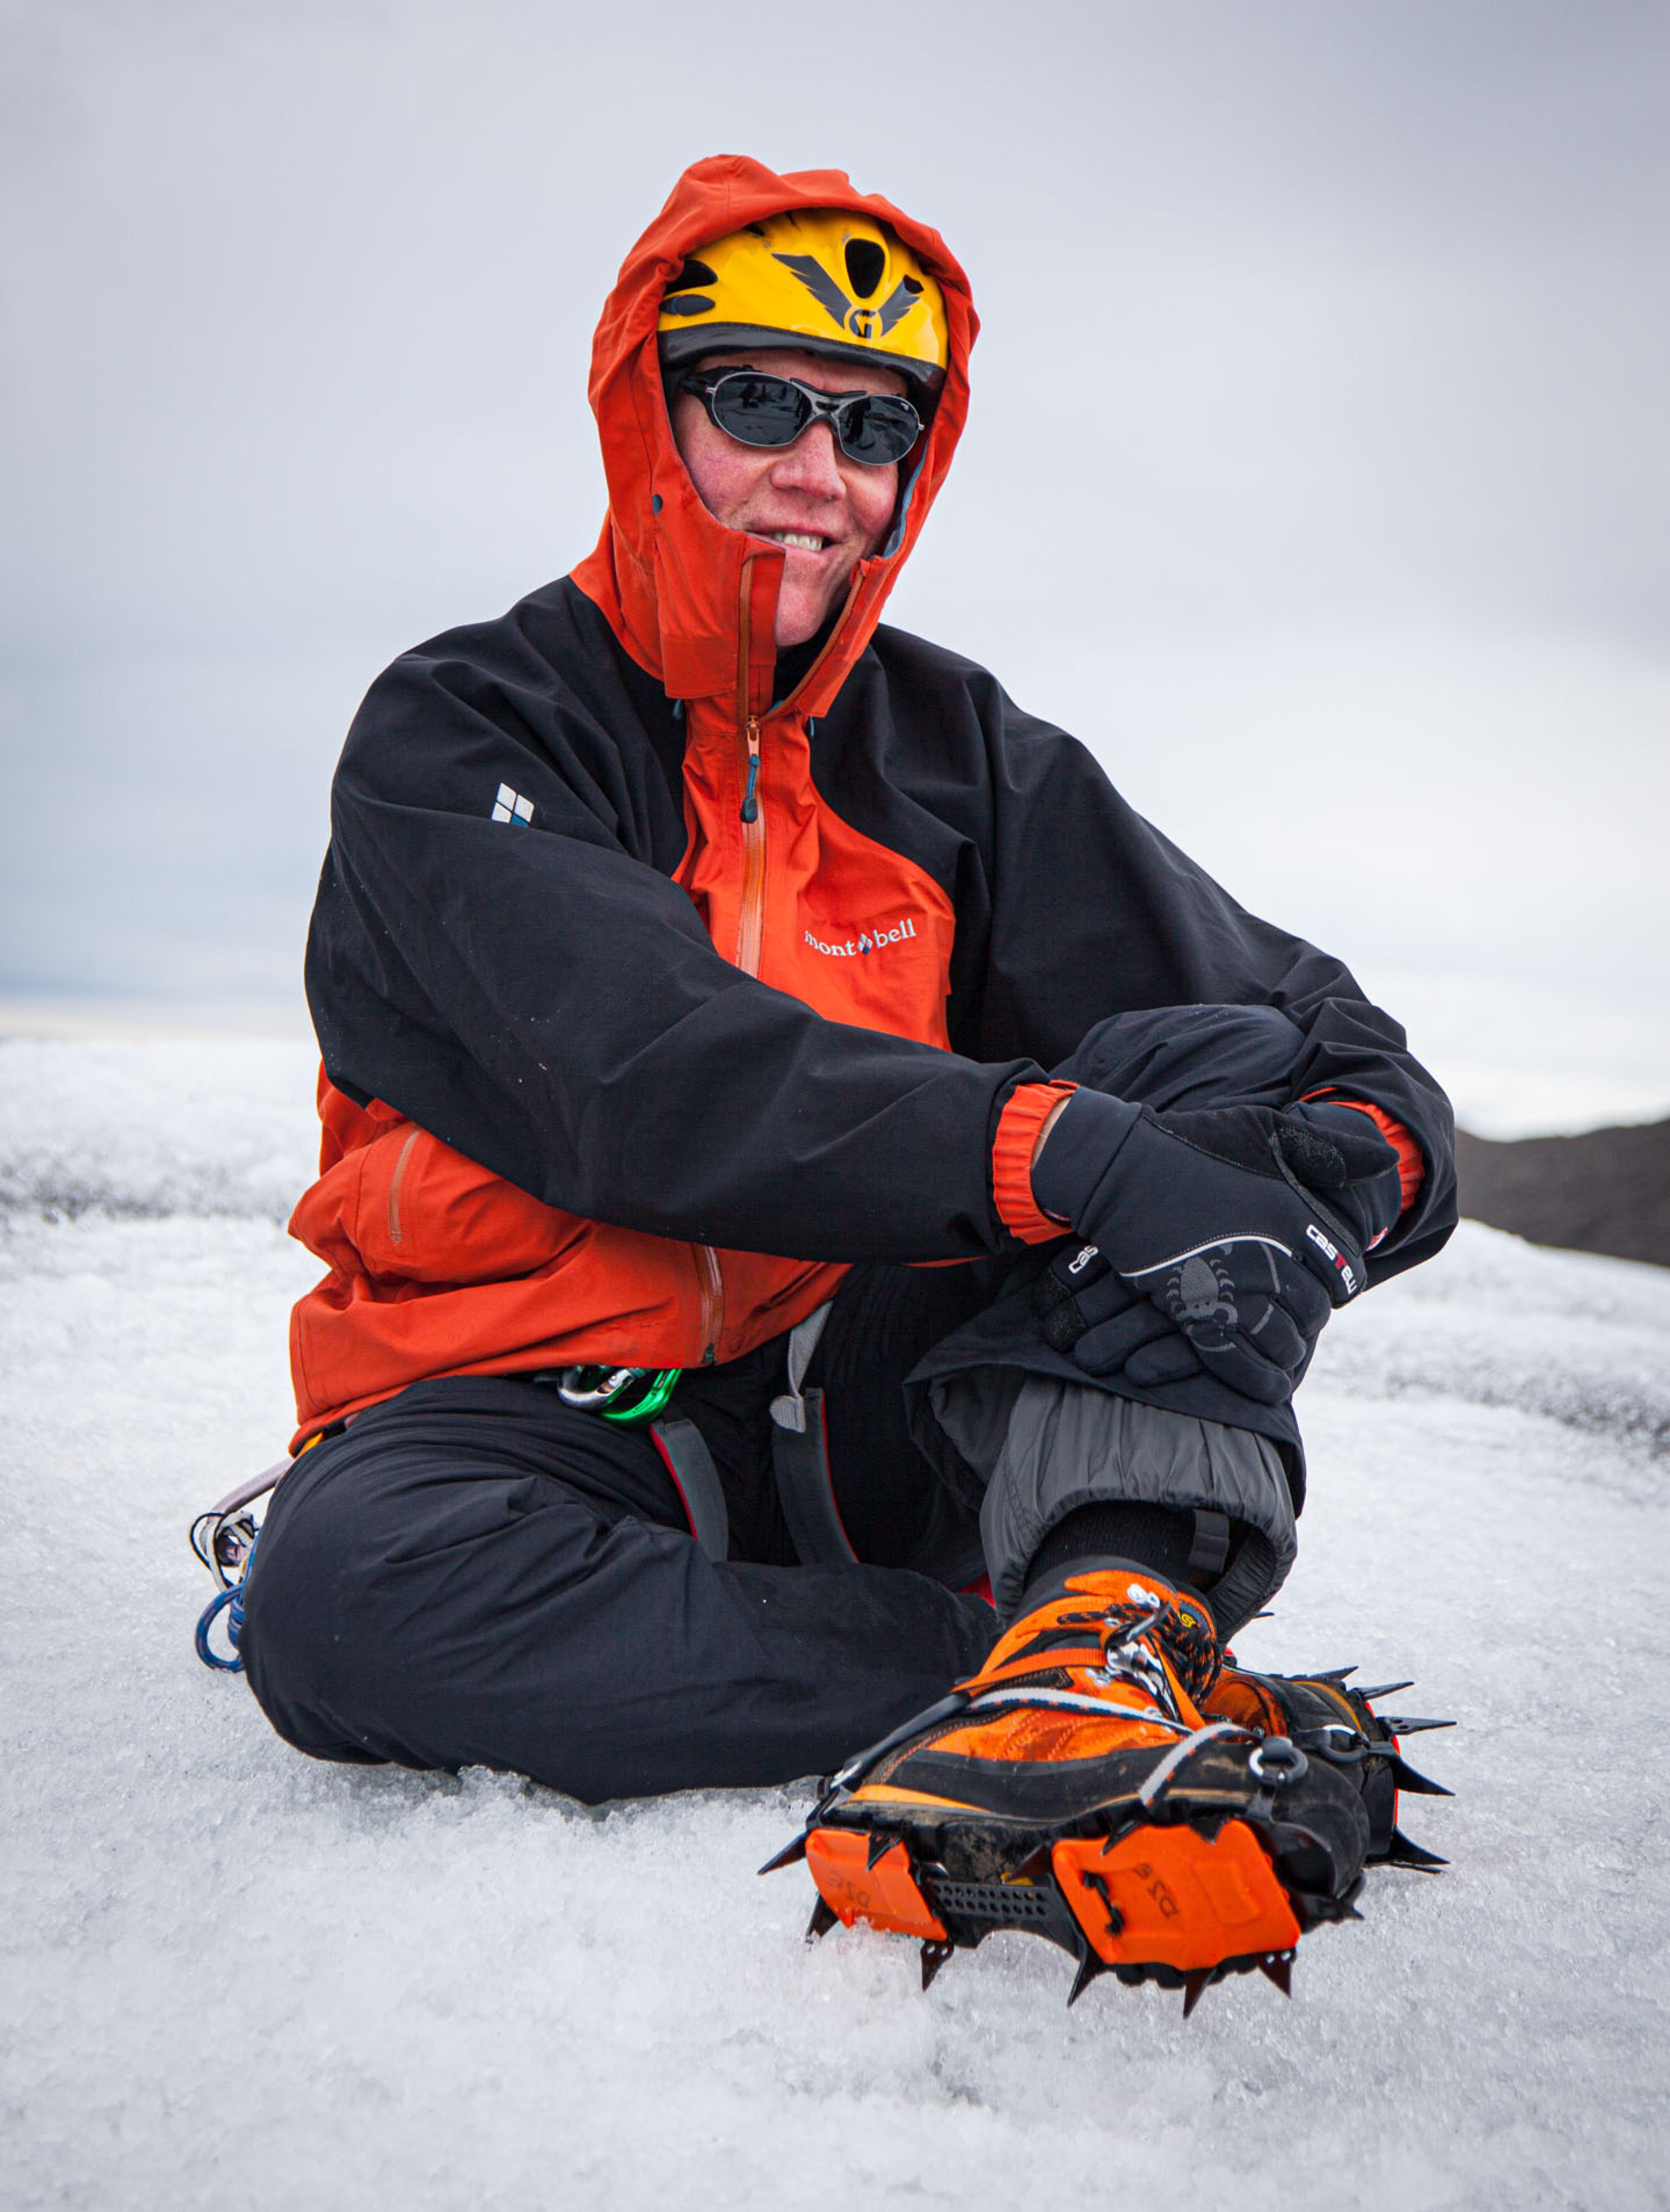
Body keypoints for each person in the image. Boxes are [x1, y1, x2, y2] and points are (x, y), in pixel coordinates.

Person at [240, 154, 1456, 2003]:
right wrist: (1057, 1151)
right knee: (339, 1601)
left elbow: (1303, 1028)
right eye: (760, 404)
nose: (821, 472)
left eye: (874, 425)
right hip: (529, 1423)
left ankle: (1099, 1640)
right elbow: (639, 1069)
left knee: (1216, 1074)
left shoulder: (953, 747)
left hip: (866, 1390)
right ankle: (1034, 1667)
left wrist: (1361, 1172)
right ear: (651, 412)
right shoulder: (470, 726)